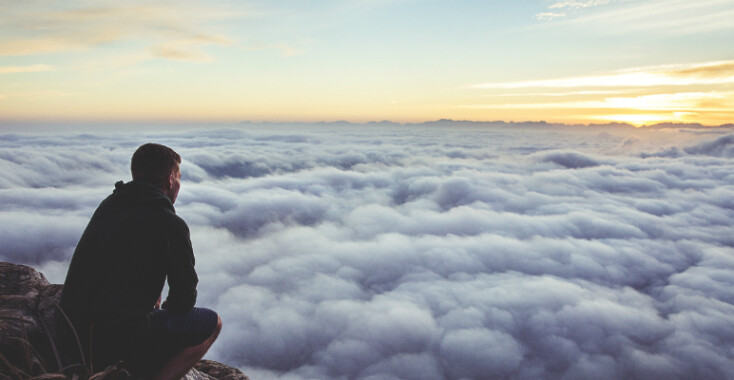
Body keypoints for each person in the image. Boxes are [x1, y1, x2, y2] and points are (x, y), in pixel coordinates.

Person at [59, 143, 222, 379]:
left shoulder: (109, 205)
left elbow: (115, 267)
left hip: (71, 333)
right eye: (179, 178)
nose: (178, 185)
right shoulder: (170, 223)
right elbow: (184, 298)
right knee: (212, 323)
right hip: (116, 340)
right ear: (169, 180)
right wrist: (161, 313)